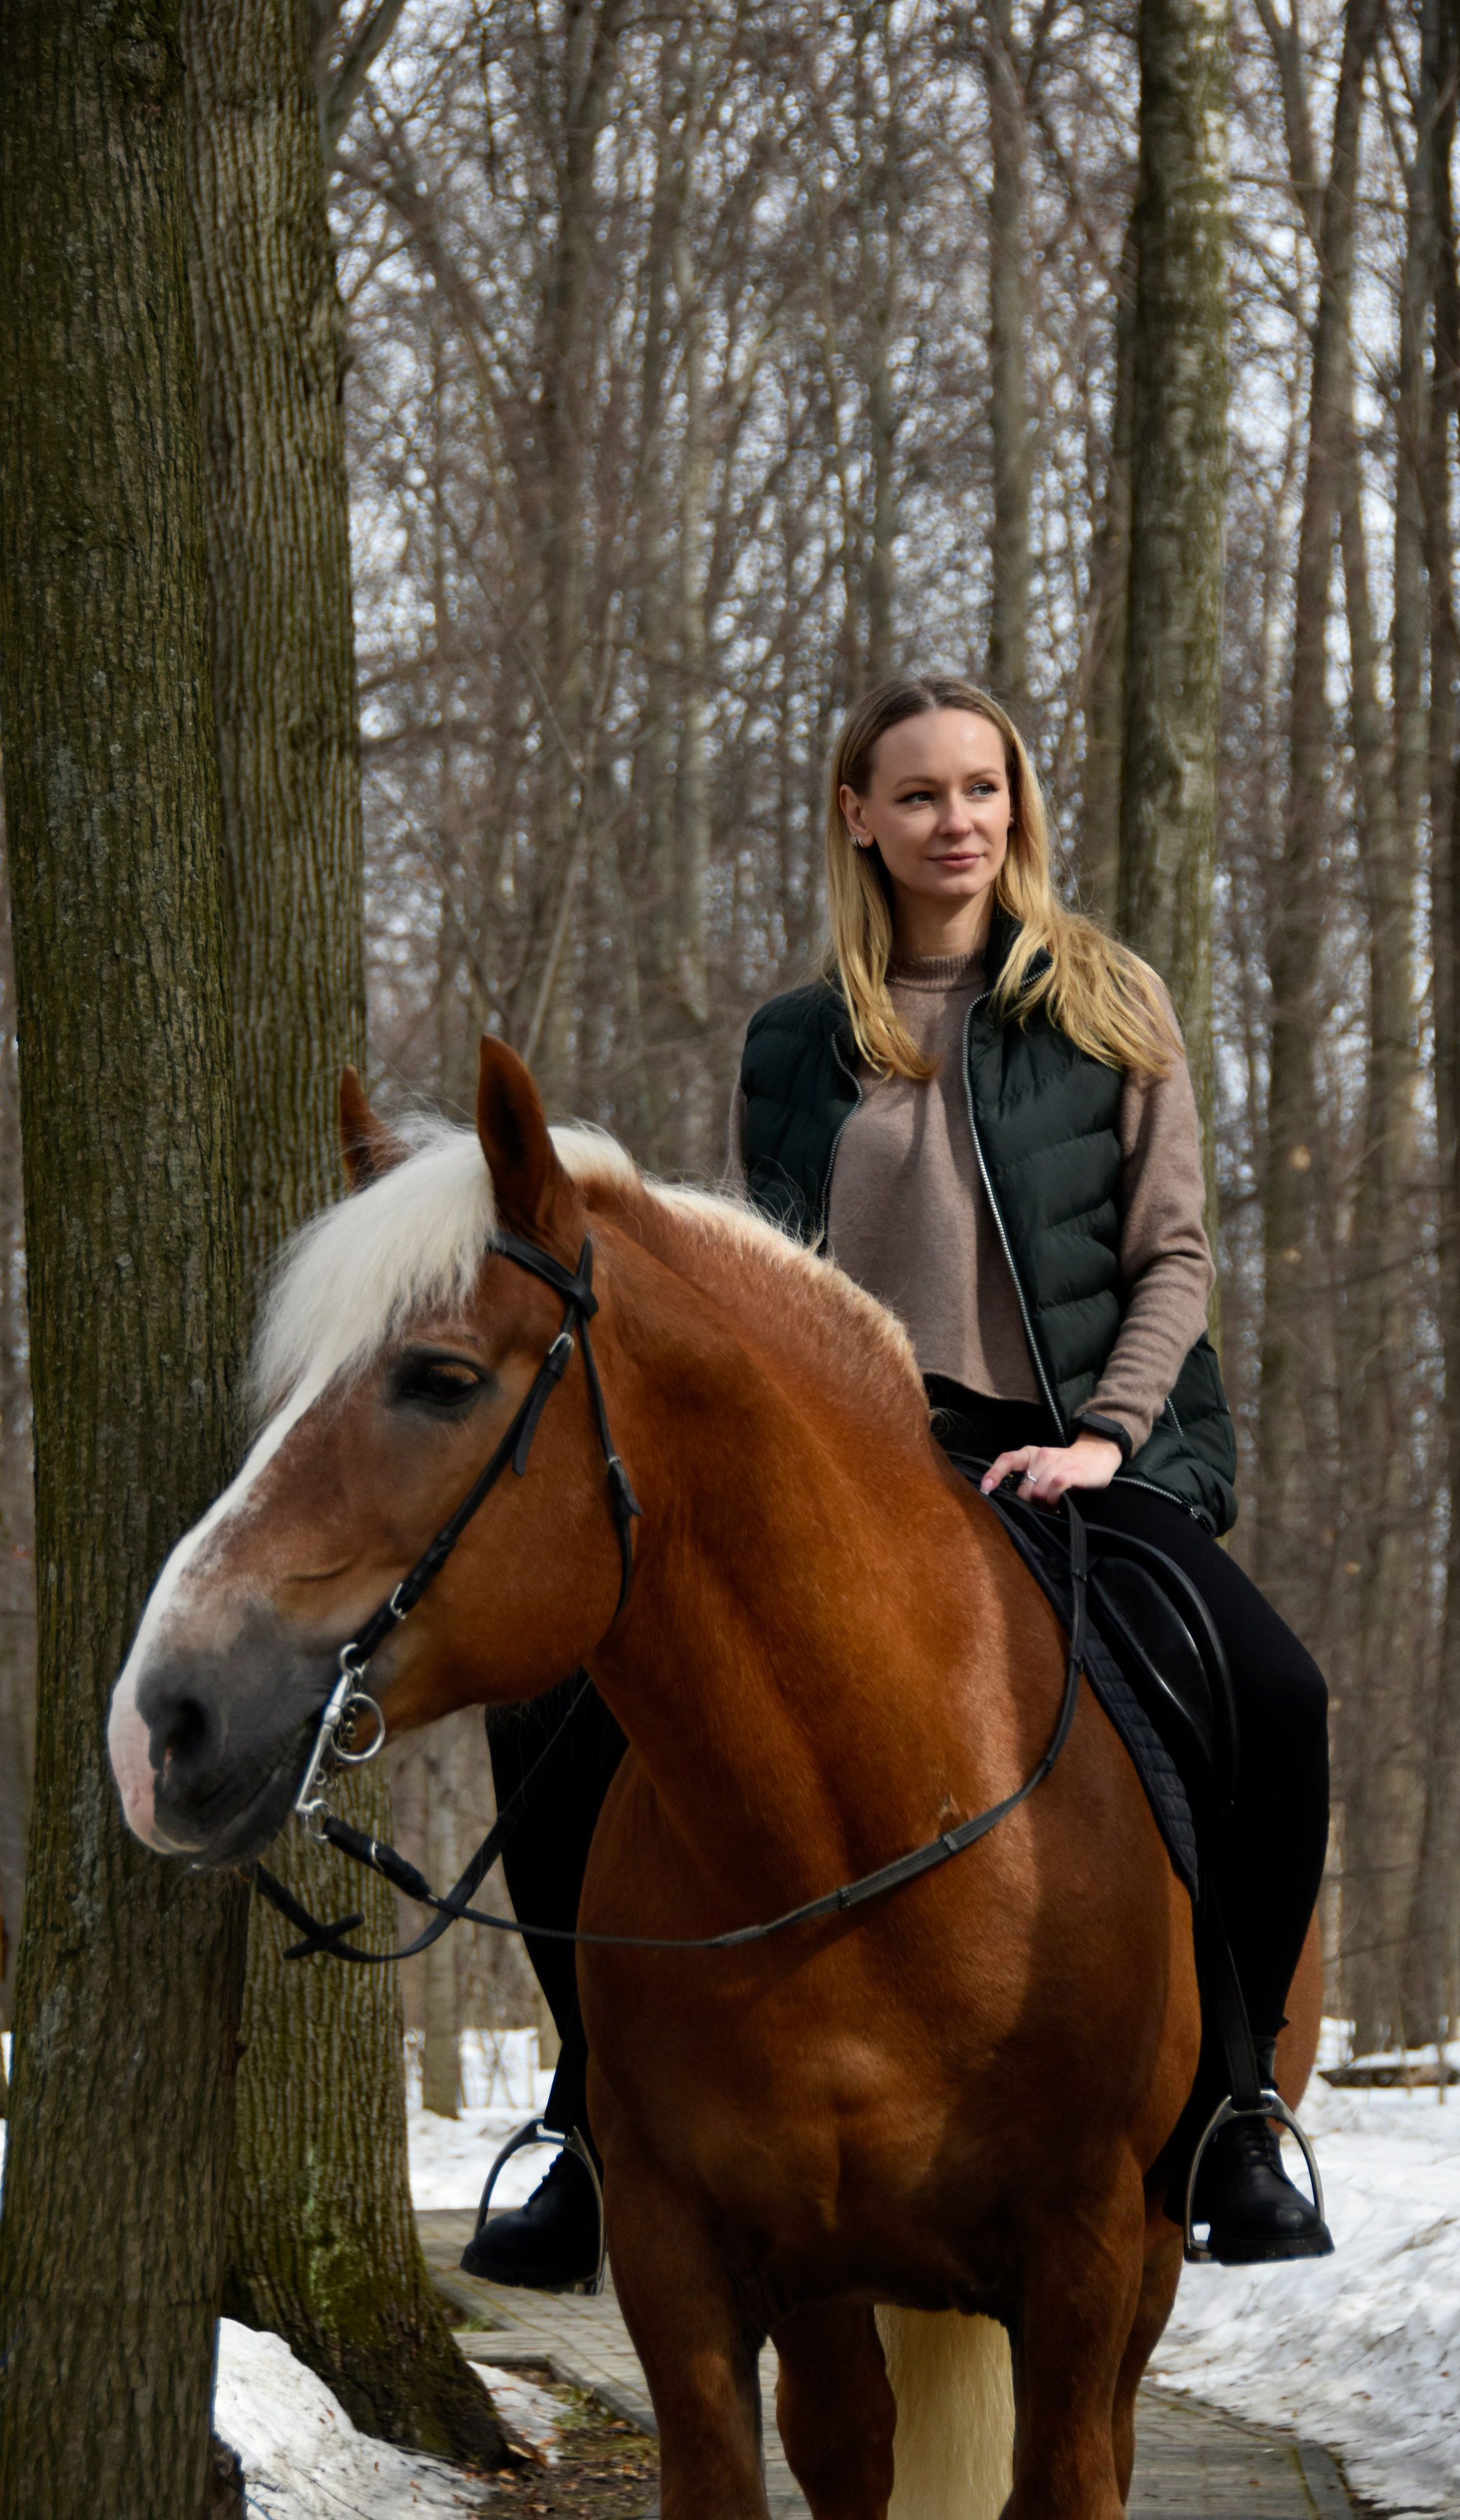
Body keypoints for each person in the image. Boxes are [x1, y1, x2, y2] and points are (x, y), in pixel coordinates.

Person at [464, 671, 1331, 2289]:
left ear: (1018, 806)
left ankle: (1233, 2110)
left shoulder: (1105, 1003)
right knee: (553, 1709)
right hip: (849, 1464)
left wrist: (1106, 1436)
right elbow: (755, 1283)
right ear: (855, 816)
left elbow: (1172, 1254)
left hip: (1066, 1453)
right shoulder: (796, 1042)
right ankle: (589, 2113)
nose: (957, 822)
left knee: (1275, 1696)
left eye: (982, 789)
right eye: (919, 794)